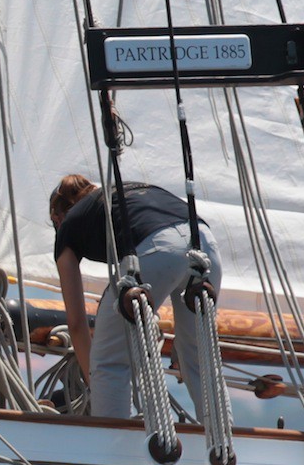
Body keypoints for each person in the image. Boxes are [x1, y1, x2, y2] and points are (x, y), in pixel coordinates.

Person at [49, 173, 224, 419]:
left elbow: (77, 324)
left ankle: (113, 440)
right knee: (200, 355)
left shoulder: (68, 225)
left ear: (57, 218)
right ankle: (222, 436)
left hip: (155, 247)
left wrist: (95, 383)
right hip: (205, 243)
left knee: (109, 362)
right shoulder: (125, 193)